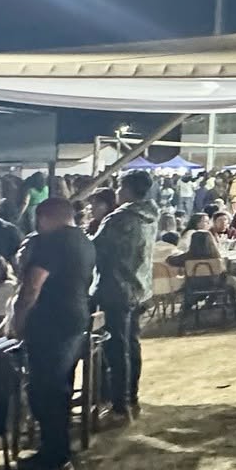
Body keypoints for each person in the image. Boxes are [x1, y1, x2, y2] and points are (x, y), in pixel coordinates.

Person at [9, 196, 97, 470]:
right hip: (75, 318)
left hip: (51, 323)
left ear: (44, 218)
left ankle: (57, 458)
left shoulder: (51, 243)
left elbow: (32, 287)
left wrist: (18, 320)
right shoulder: (84, 241)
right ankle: (52, 450)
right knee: (59, 388)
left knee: (44, 391)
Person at [91, 170, 158, 421]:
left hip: (116, 290)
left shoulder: (119, 219)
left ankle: (119, 404)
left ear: (127, 189)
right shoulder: (150, 215)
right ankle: (132, 397)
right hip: (140, 288)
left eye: (120, 187)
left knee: (116, 349)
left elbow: (94, 250)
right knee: (131, 344)